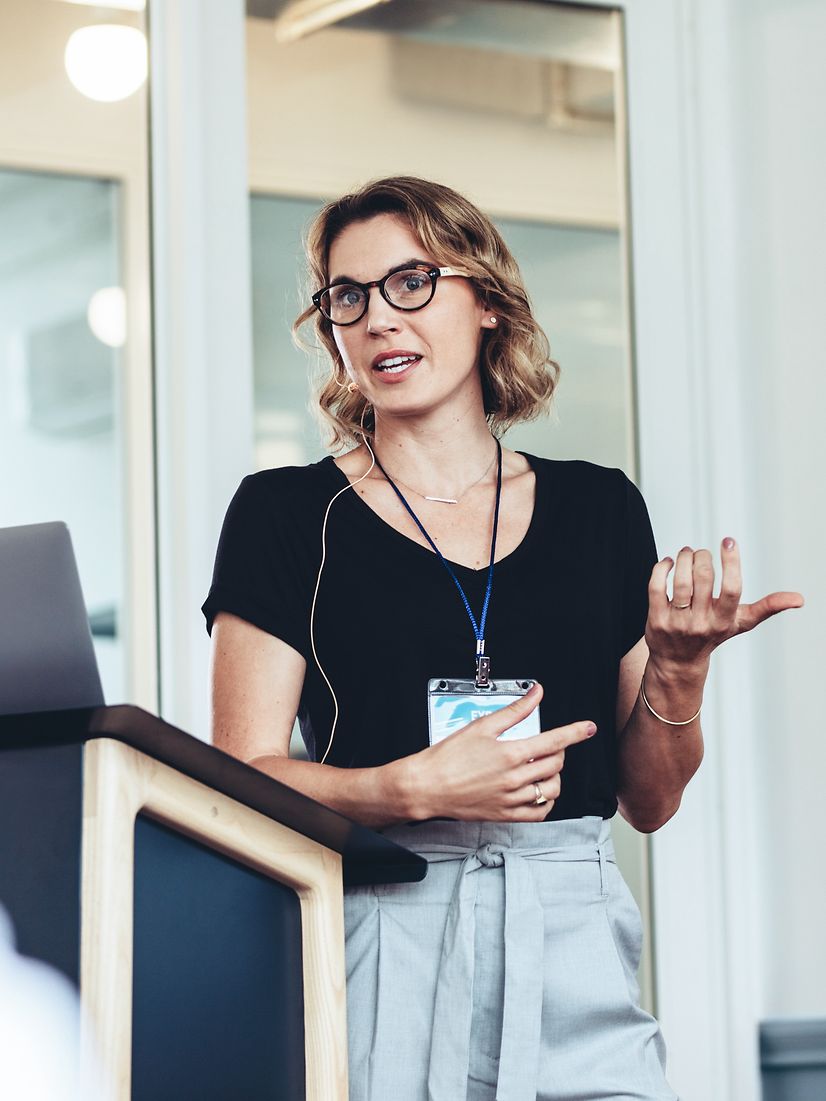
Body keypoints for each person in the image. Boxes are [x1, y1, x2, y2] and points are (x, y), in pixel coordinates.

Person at [201, 176, 804, 1101]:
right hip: (385, 933)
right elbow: (238, 783)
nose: (376, 320)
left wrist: (679, 673)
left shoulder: (600, 506)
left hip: (574, 930)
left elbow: (648, 800)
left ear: (485, 301)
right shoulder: (286, 515)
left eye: (411, 282)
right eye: (346, 297)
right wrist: (402, 788)